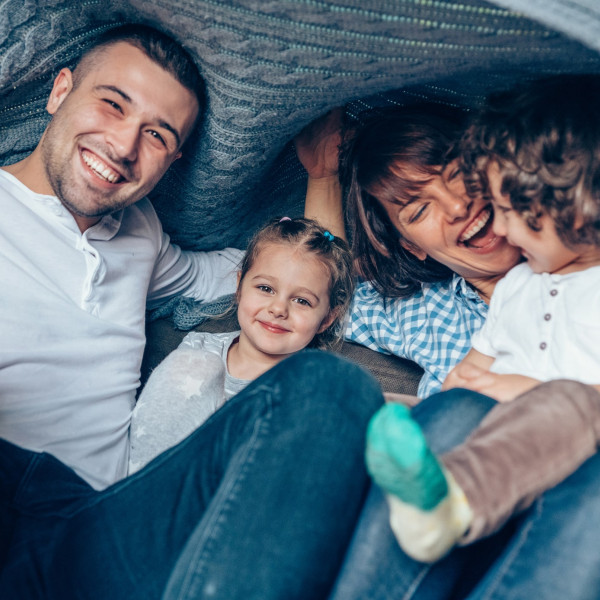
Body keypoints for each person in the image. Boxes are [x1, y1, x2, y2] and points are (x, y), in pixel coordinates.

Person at [0, 23, 386, 599]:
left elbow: (274, 276)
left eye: (155, 135)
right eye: (112, 104)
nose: (124, 146)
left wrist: (323, 178)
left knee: (333, 389)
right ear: (60, 92)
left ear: (173, 160)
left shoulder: (141, 234)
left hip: (107, 527)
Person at [314, 81, 600, 599]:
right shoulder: (424, 314)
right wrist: (322, 177)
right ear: (410, 246)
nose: (457, 207)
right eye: (419, 210)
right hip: (450, 531)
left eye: (462, 176)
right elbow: (319, 288)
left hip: (568, 521)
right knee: (455, 410)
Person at [129, 216, 353, 472]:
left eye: (302, 301)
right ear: (239, 288)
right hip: (171, 480)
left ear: (327, 319)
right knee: (190, 367)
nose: (278, 309)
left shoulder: (315, 385)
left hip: (246, 494)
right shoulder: (198, 349)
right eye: (266, 288)